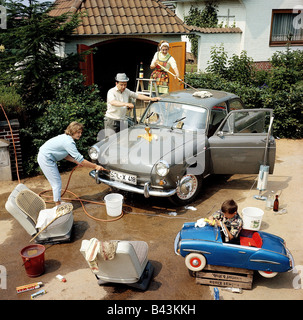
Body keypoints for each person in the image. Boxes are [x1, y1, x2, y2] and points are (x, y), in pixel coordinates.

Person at [37, 121, 105, 206]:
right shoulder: (69, 142)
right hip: (46, 159)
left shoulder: (66, 138)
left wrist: (75, 161)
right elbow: (82, 160)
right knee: (56, 183)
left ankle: (58, 201)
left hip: (46, 157)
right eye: (78, 132)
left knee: (56, 182)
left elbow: (64, 154)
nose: (80, 134)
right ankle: (58, 206)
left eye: (81, 132)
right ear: (72, 131)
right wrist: (95, 166)